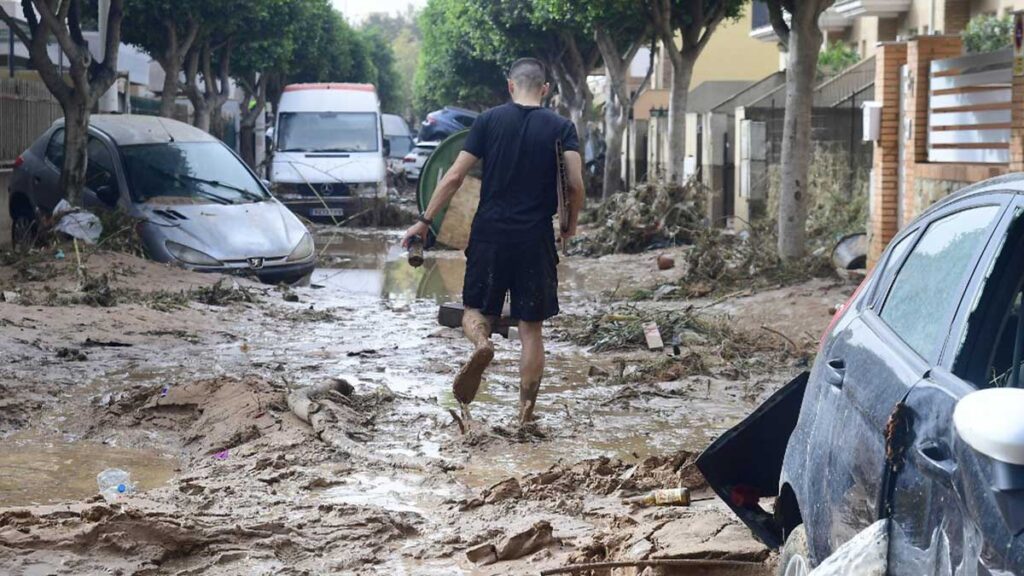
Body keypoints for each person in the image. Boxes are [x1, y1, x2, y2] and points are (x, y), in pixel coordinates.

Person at [402, 57, 585, 427]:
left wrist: (424, 221)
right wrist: (570, 225)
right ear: (546, 89)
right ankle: (525, 414)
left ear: (510, 86)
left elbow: (454, 176)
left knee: (474, 311)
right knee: (531, 328)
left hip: (489, 233)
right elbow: (576, 185)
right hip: (534, 237)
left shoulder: (487, 121)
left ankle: (482, 344)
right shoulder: (561, 127)